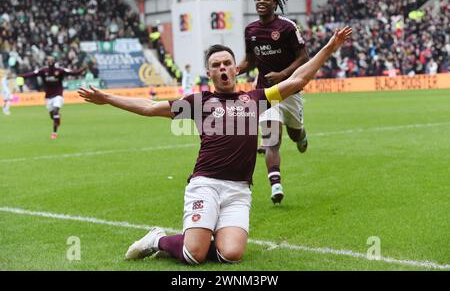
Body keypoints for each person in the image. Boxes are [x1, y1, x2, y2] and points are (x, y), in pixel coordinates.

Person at [78, 27, 352, 265]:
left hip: (238, 190)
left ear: (236, 68)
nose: (223, 69)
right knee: (195, 254)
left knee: (231, 254)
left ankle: (205, 233)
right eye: (216, 65)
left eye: (227, 63)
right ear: (209, 73)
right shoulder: (200, 102)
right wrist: (107, 98)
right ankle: (158, 239)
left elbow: (298, 80)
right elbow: (150, 107)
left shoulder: (255, 98)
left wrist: (329, 47)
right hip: (205, 184)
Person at [238, 0, 310, 204]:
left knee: (294, 134)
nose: (261, 2)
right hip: (265, 92)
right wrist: (234, 70)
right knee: (271, 139)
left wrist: (284, 74)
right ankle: (276, 184)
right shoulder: (250, 31)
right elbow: (250, 61)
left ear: (275, 3)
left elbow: (304, 58)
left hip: (290, 90)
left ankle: (301, 134)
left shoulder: (287, 27)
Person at [22, 56, 86, 139]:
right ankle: (57, 117)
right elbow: (32, 74)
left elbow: (74, 72)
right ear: (47, 62)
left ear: (54, 62)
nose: (50, 62)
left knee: (55, 111)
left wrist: (82, 69)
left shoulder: (60, 70)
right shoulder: (43, 71)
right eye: (48, 60)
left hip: (58, 95)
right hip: (48, 96)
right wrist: (22, 76)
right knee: (52, 116)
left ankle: (54, 133)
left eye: (51, 60)